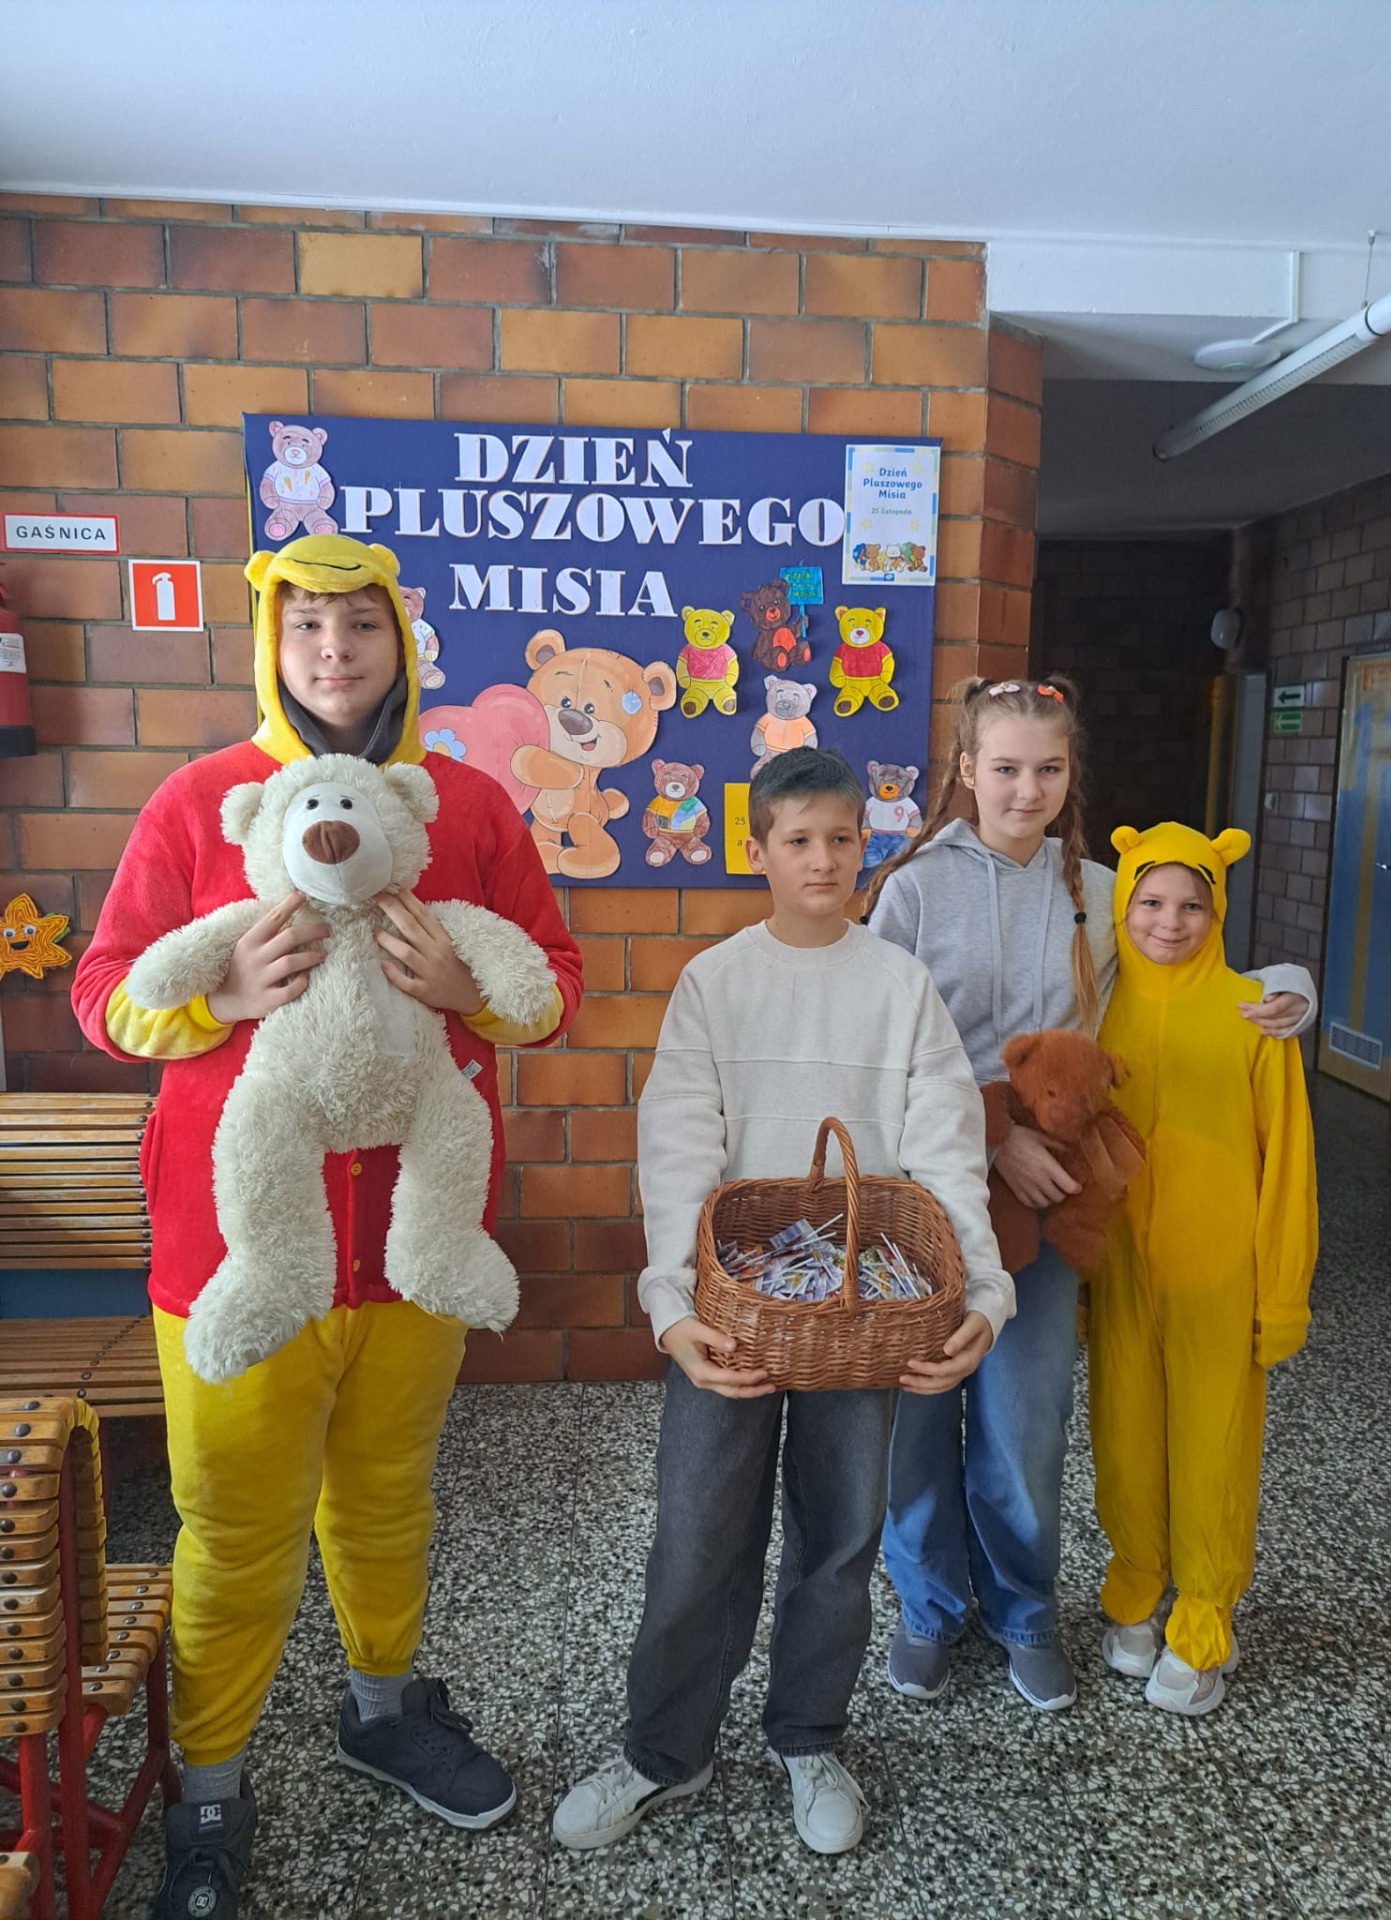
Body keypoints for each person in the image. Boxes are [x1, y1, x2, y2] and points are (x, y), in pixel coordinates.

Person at [72, 535, 582, 1920]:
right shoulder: (200, 802)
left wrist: (470, 991)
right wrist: (221, 997)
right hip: (234, 1251)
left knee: (387, 1498)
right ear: (272, 646)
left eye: (360, 625)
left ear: (398, 642)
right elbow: (105, 995)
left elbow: (554, 981)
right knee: (233, 1528)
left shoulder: (465, 806)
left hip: (416, 1240)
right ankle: (210, 1779)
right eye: (308, 627)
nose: (335, 651)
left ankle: (382, 1708)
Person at [551, 748, 1013, 1858]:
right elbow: (677, 1147)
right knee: (696, 1534)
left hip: (866, 1317)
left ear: (867, 846)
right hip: (732, 1314)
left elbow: (948, 1151)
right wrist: (672, 1307)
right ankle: (667, 1750)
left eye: (841, 839)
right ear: (756, 850)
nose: (822, 860)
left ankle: (809, 1736)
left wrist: (985, 1292)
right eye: (797, 840)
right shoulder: (716, 982)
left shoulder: (899, 987)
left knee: (841, 1538)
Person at [866, 676, 1316, 1713]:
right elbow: (876, 1042)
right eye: (1005, 768)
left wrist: (1293, 986)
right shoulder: (914, 890)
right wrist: (995, 1138)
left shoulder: (1104, 893)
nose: (1026, 790)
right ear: (967, 770)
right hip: (927, 1196)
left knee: (1025, 1425)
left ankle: (1024, 1611)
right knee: (918, 1421)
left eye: (1049, 769)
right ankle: (930, 1607)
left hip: (1051, 1208)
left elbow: (1190, 953)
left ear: (1072, 777)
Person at [1089, 822, 1317, 1715]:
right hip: (1120, 1273)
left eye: (1192, 904)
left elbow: (1289, 1165)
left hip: (1221, 1277)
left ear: (1218, 911)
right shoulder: (1096, 1008)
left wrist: (1282, 1295)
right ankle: (1137, 1589)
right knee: (1125, 1438)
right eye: (1149, 900)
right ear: (1122, 902)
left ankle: (1204, 1622)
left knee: (1213, 1446)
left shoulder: (1255, 1014)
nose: (1169, 921)